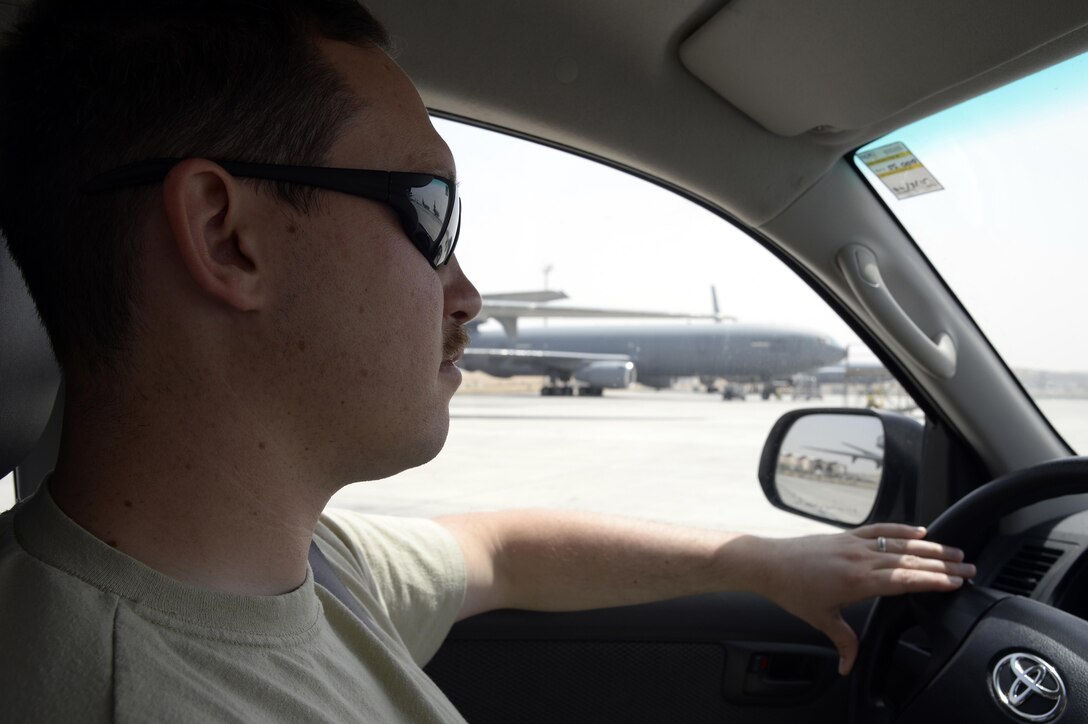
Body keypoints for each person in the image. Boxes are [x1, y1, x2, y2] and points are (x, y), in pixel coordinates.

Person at [0, 1, 975, 721]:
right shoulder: (139, 692)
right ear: (227, 236)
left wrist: (752, 559)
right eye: (431, 213)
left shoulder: (291, 563)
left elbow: (498, 549)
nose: (464, 292)